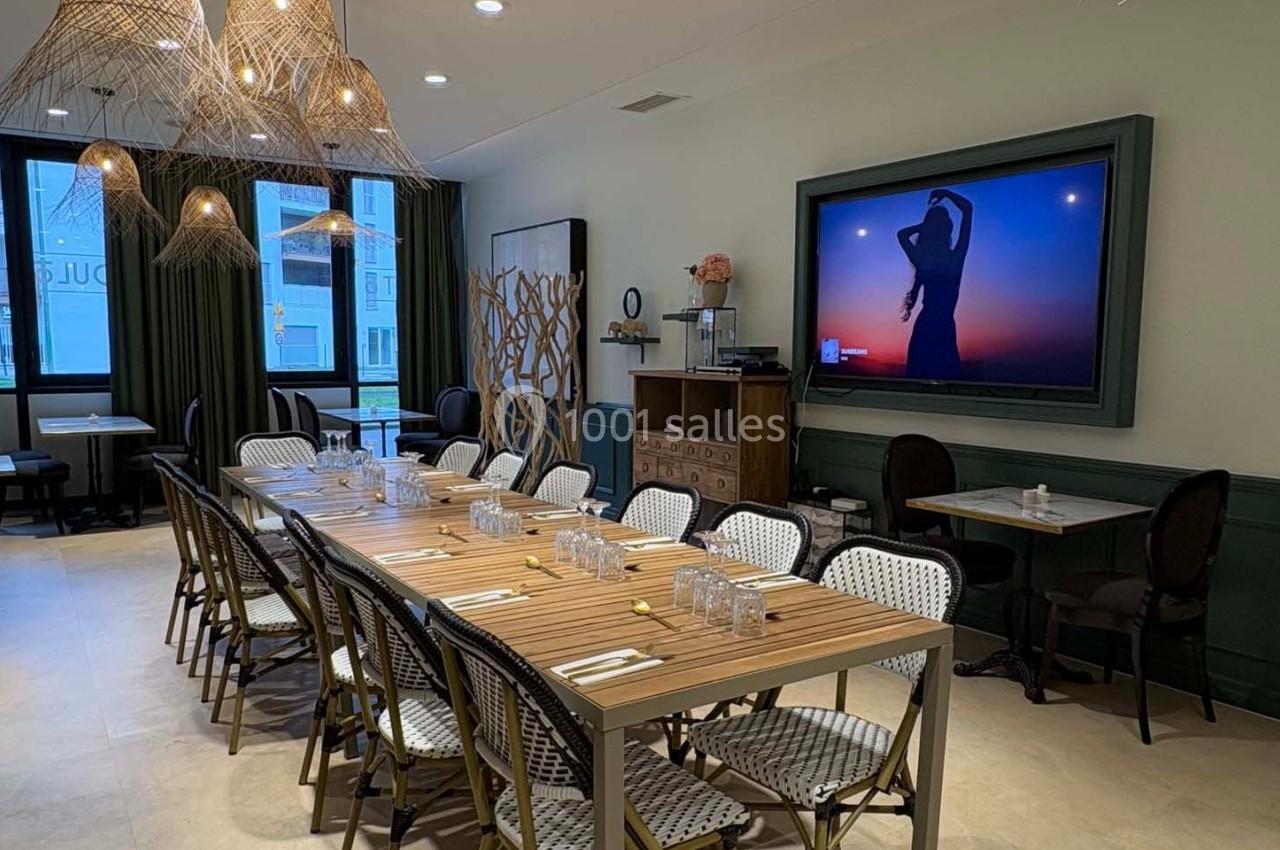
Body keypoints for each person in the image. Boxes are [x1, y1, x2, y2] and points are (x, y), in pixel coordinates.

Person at [897, 188, 973, 380]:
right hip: (933, 328)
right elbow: (901, 235)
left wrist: (945, 193)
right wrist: (927, 224)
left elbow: (967, 209)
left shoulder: (950, 258)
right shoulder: (938, 259)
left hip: (938, 328)